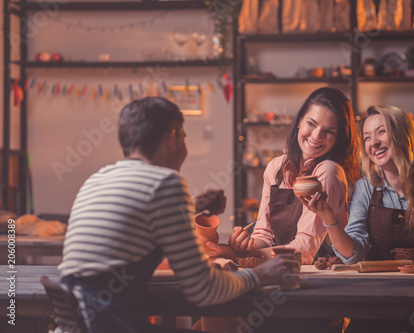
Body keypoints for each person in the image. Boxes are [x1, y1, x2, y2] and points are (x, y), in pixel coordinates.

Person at [58, 97, 298, 333]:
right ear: (171, 138)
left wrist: (190, 209)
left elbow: (135, 223)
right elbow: (204, 289)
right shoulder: (166, 183)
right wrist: (259, 275)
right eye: (184, 136)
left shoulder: (97, 180)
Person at [300, 105, 414, 333]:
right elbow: (353, 254)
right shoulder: (365, 188)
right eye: (367, 137)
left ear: (403, 135)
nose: (373, 143)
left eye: (381, 132)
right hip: (380, 303)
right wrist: (327, 215)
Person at [227, 87, 360, 265]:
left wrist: (239, 257)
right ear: (299, 122)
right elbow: (264, 235)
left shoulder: (328, 171)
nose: (316, 136)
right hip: (280, 268)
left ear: (338, 138)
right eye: (311, 124)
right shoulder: (276, 167)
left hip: (319, 274)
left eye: (328, 131)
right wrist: (247, 247)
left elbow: (304, 250)